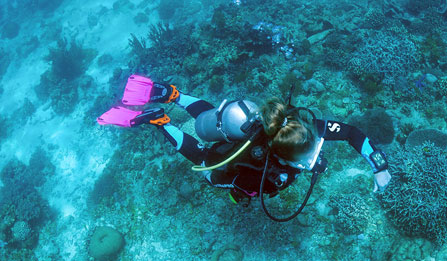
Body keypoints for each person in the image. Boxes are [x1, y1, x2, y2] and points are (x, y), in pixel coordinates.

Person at [98, 75, 391, 221]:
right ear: (284, 158)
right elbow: (241, 190)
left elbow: (352, 133)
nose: (314, 160)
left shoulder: (301, 125)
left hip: (241, 129)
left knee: (214, 117)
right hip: (239, 158)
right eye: (307, 159)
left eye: (313, 150)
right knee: (207, 166)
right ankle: (161, 121)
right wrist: (241, 198)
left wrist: (379, 166)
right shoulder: (272, 175)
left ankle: (173, 95)